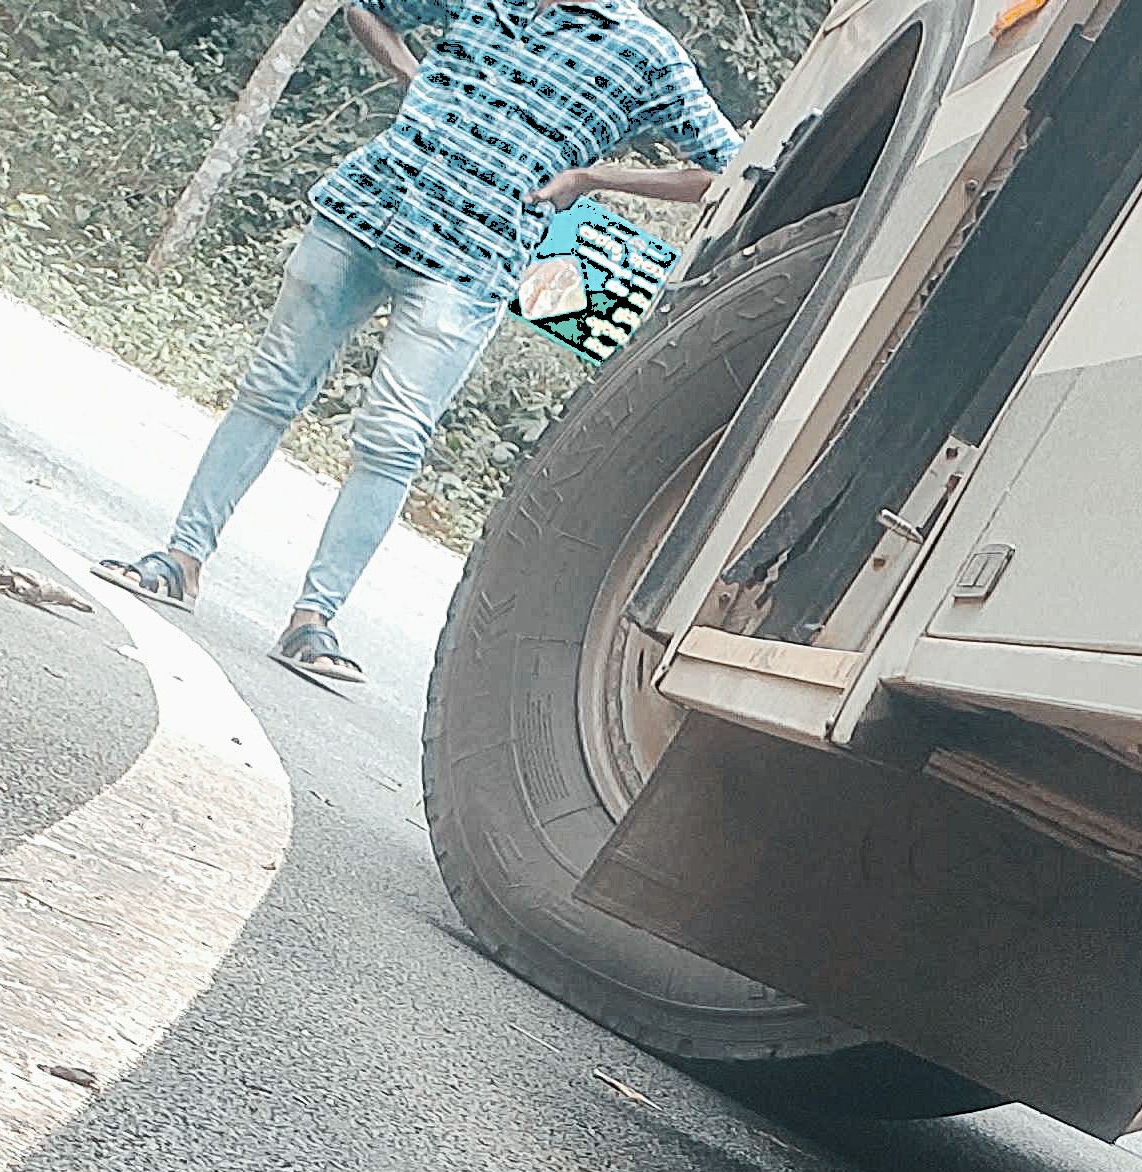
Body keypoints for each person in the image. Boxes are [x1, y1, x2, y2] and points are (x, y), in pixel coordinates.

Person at [95, 0, 736, 688]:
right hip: (364, 210)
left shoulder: (644, 50)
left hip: (471, 260)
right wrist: (411, 75)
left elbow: (729, 165)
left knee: (393, 437)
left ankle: (313, 619)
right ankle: (180, 559)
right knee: (269, 389)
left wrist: (592, 178)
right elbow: (366, 9)